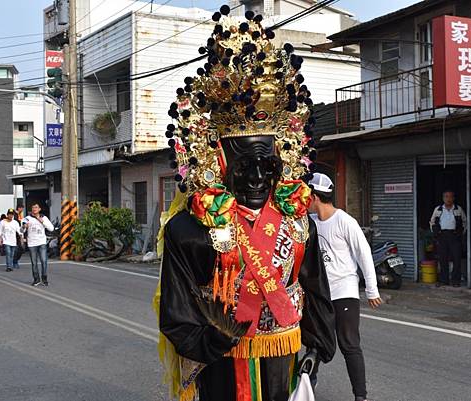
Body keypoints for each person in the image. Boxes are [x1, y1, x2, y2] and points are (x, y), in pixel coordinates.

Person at [156, 8, 336, 401]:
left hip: (283, 354)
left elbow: (314, 286)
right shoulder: (189, 229)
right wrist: (210, 340)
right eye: (243, 166)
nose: (256, 178)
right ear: (219, 162)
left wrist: (317, 347)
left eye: (266, 165)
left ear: (282, 162)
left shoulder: (298, 221)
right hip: (221, 362)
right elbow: (176, 309)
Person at [307, 172, 382, 401]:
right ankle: (307, 388)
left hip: (344, 291)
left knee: (349, 344)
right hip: (321, 294)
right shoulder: (310, 224)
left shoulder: (344, 221)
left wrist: (372, 289)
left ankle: (360, 396)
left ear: (315, 196)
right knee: (315, 342)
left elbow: (364, 254)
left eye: (306, 195)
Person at [429, 190, 467, 287]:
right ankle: (443, 280)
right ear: (443, 198)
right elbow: (432, 222)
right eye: (446, 197)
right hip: (442, 236)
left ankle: (455, 281)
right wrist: (436, 233)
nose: (448, 199)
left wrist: (460, 233)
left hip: (454, 236)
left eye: (450, 197)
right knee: (443, 259)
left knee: (456, 258)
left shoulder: (458, 209)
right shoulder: (438, 209)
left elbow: (465, 222)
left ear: (453, 198)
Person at [22, 203, 54, 286]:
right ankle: (36, 279)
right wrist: (24, 227)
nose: (34, 209)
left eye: (36, 207)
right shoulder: (27, 218)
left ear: (39, 209)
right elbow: (21, 231)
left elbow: (51, 228)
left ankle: (44, 279)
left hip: (41, 242)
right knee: (34, 262)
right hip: (32, 243)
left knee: (44, 261)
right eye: (33, 207)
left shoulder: (43, 217)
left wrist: (42, 222)